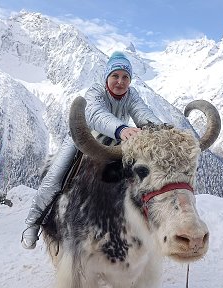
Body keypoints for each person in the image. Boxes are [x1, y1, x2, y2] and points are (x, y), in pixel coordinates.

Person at [21, 51, 162, 249]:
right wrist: (121, 129)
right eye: (115, 76)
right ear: (107, 77)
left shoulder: (132, 95)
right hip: (84, 138)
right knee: (54, 179)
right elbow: (96, 114)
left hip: (118, 139)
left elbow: (142, 112)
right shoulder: (96, 92)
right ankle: (33, 224)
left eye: (125, 77)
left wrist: (162, 130)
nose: (120, 82)